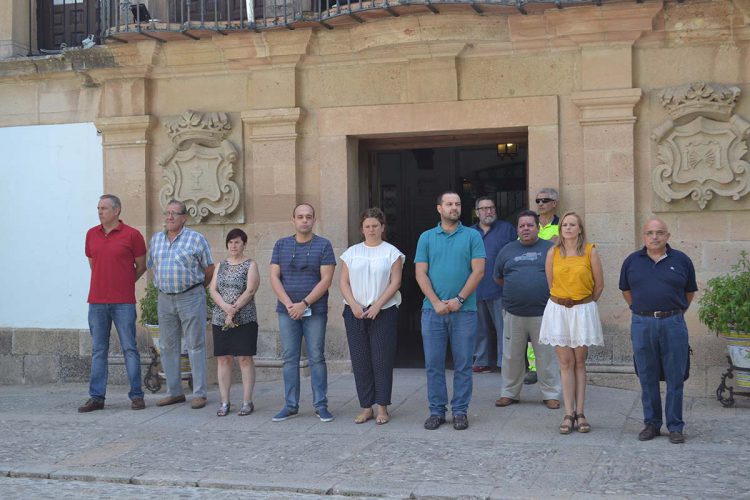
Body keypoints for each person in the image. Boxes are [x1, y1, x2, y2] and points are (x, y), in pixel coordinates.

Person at [619, 218, 697, 444]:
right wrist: (639, 309)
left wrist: (677, 311)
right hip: (642, 324)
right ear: (643, 236)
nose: (655, 237)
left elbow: (689, 291)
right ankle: (651, 423)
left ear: (667, 236)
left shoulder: (681, 260)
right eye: (650, 233)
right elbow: (625, 290)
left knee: (676, 376)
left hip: (673, 322)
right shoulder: (632, 261)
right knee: (647, 375)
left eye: (660, 233)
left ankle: (675, 426)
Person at [415, 191, 486, 431]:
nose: (453, 208)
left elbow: (478, 271)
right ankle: (436, 411)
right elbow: (420, 273)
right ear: (439, 208)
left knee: (463, 363)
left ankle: (460, 411)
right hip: (432, 311)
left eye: (457, 204)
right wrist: (435, 302)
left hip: (464, 311)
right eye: (448, 204)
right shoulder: (426, 237)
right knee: (433, 364)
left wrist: (459, 299)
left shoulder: (472, 236)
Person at [79, 194, 147, 413]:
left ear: (117, 211)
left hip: (123, 302)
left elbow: (141, 265)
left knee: (130, 348)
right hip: (97, 301)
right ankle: (96, 397)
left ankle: (137, 395)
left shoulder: (132, 235)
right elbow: (93, 263)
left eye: (104, 208)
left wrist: (124, 282)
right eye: (98, 208)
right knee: (99, 350)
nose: (100, 212)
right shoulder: (91, 234)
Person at [270, 203, 336, 422]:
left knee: (316, 356)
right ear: (294, 220)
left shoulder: (324, 245)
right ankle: (290, 405)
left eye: (308, 217)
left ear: (313, 220)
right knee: (289, 358)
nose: (304, 220)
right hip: (287, 310)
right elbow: (274, 277)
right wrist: (290, 304)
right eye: (300, 217)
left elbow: (326, 280)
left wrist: (304, 304)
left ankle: (321, 405)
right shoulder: (281, 245)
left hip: (314, 310)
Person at [539, 211, 604, 434]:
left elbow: (599, 285)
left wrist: (584, 305)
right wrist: (564, 302)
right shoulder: (553, 252)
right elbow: (551, 283)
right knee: (565, 362)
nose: (567, 228)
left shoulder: (590, 251)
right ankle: (568, 413)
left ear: (580, 229)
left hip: (582, 309)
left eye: (572, 224)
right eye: (564, 224)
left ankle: (581, 412)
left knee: (579, 361)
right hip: (558, 309)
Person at [148, 200, 215, 410]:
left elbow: (210, 268)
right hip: (165, 298)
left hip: (191, 296)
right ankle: (174, 392)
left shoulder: (196, 239)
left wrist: (196, 288)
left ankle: (199, 393)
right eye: (167, 213)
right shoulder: (156, 240)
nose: (169, 217)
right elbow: (153, 267)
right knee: (167, 346)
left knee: (195, 345)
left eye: (174, 214)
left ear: (184, 217)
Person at [340, 207, 404, 425]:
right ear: (362, 229)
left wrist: (378, 305)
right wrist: (354, 305)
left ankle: (382, 408)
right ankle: (366, 406)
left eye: (375, 226)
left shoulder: (392, 252)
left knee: (381, 359)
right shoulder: (351, 252)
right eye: (367, 226)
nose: (371, 229)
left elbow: (395, 282)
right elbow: (343, 282)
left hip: (383, 312)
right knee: (360, 360)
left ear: (382, 227)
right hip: (354, 312)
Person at [493, 210, 561, 409]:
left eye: (529, 225)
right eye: (522, 226)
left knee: (546, 356)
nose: (525, 229)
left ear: (537, 227)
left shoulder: (550, 249)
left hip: (544, 313)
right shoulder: (507, 250)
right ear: (517, 229)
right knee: (511, 356)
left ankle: (551, 394)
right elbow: (498, 277)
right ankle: (509, 393)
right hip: (513, 312)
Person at [209, 228, 260, 417]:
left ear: (244, 244)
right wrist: (225, 308)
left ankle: (247, 401)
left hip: (244, 318)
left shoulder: (250, 264)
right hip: (220, 317)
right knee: (223, 358)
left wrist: (234, 309)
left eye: (237, 242)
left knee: (245, 358)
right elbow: (213, 290)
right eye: (230, 242)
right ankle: (224, 401)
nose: (233, 245)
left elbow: (251, 290)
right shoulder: (220, 265)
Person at [470, 196, 517, 374]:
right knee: (479, 329)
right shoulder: (469, 233)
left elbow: (515, 254)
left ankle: (504, 362)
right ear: (477, 212)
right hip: (475, 288)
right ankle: (481, 361)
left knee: (503, 328)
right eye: (483, 209)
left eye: (491, 208)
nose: (488, 211)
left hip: (500, 288)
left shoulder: (507, 229)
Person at [524, 187, 561, 385]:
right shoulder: (531, 226)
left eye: (545, 200)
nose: (540, 204)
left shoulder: (562, 226)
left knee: (553, 327)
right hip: (533, 284)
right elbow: (523, 246)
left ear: (554, 204)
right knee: (532, 329)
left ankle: (553, 366)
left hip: (555, 285)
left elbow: (557, 249)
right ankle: (532, 368)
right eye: (538, 200)